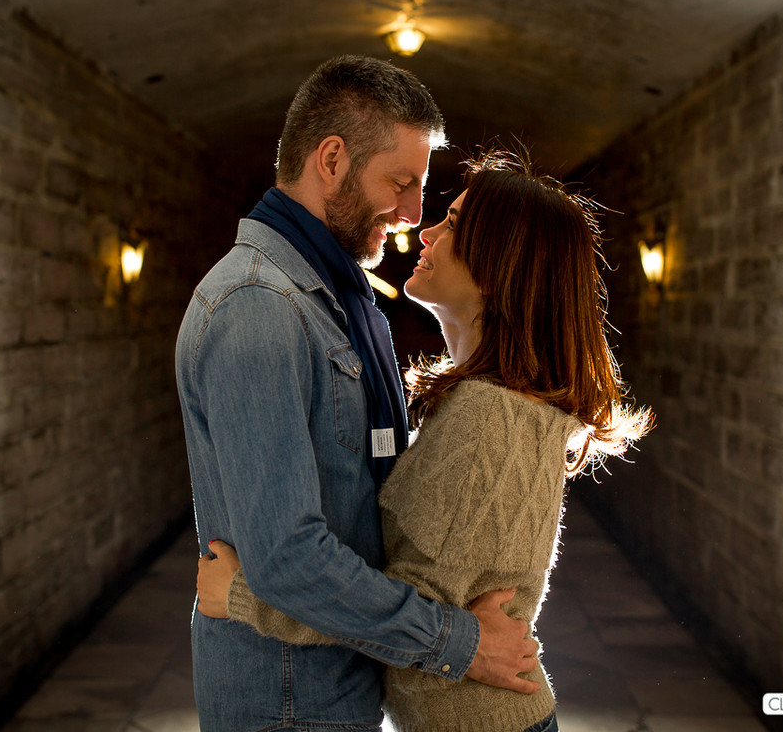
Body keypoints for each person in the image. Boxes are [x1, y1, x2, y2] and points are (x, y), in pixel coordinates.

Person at [197, 150, 653, 731]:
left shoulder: (488, 417)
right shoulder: (507, 404)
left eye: (455, 224)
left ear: (500, 265)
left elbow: (396, 612)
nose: (426, 230)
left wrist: (241, 598)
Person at [175, 56, 539, 732]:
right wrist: (462, 643)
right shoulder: (259, 307)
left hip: (339, 688)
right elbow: (288, 558)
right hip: (288, 704)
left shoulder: (339, 298)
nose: (411, 215)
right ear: (332, 159)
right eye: (401, 184)